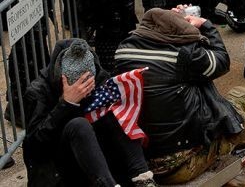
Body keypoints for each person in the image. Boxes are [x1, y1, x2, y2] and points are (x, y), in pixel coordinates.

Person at [114, 6, 245, 184]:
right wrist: (206, 25)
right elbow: (221, 61)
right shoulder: (183, 55)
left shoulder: (123, 50)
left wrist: (170, 18)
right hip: (181, 164)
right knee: (244, 95)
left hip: (141, 159)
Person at [23, 38, 156, 187]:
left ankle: (143, 178)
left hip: (93, 162)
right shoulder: (38, 91)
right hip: (58, 168)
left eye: (88, 84)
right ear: (62, 78)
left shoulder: (99, 76)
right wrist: (66, 104)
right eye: (79, 85)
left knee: (115, 113)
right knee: (79, 125)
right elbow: (34, 148)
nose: (84, 90)